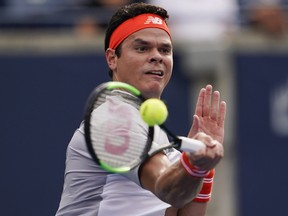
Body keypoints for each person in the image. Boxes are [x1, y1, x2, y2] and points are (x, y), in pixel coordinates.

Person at [56, 2, 226, 216]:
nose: (157, 56)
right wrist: (194, 166)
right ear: (112, 59)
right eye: (142, 48)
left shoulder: (157, 137)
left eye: (165, 49)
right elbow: (168, 189)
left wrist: (204, 167)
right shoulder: (111, 122)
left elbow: (180, 208)